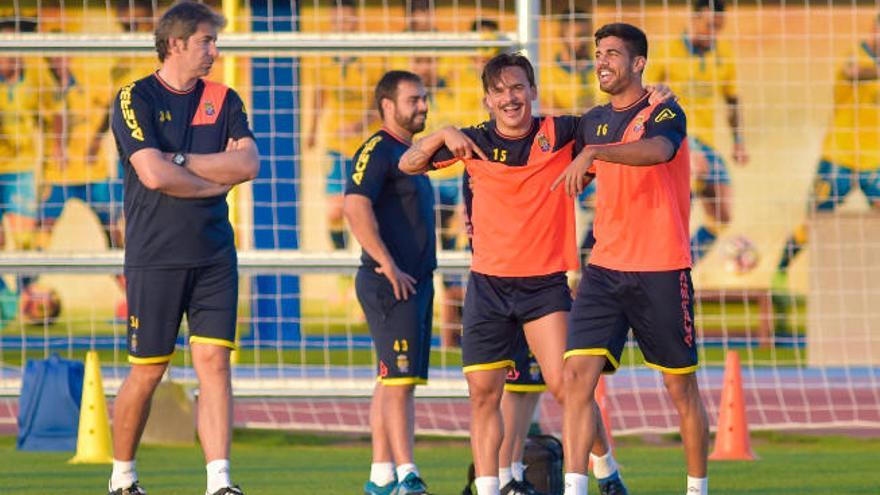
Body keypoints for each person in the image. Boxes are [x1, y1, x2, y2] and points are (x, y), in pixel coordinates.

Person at [399, 52, 652, 495]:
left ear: (532, 91)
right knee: (483, 395)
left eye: (517, 88)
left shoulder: (562, 131)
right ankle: (489, 488)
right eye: (499, 92)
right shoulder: (471, 140)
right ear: (487, 101)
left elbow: (624, 119)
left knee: (569, 388)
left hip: (544, 286)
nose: (510, 99)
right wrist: (441, 133)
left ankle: (606, 470)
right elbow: (408, 164)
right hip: (488, 287)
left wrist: (656, 97)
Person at [107, 2, 259, 495]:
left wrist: (182, 163)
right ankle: (123, 478)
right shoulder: (135, 97)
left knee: (214, 364)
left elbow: (249, 164)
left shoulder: (224, 97)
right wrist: (210, 177)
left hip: (215, 255)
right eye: (206, 42)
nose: (215, 51)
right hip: (156, 256)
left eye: (215, 42)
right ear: (175, 44)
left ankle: (220, 483)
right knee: (149, 370)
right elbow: (151, 174)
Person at [554, 23, 709, 495]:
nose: (601, 61)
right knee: (576, 377)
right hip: (604, 269)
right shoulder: (591, 120)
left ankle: (697, 488)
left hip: (661, 267)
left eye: (612, 54)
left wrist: (598, 152)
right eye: (598, 53)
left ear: (638, 63)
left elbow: (659, 152)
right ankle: (577, 487)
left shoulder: (664, 109)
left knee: (680, 389)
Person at [344, 70, 433, 495]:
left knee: (391, 379)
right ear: (387, 106)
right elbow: (354, 205)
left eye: (424, 98)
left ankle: (380, 475)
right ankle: (407, 474)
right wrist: (388, 264)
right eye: (413, 99)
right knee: (399, 382)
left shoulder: (409, 150)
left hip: (414, 282)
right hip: (390, 284)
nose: (423, 106)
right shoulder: (378, 149)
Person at [773, 13, 880, 318]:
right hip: (840, 157)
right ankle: (780, 274)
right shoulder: (856, 56)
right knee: (815, 222)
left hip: (875, 161)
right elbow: (853, 71)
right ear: (874, 30)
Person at [647, 0, 748, 263]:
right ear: (694, 19)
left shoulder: (723, 54)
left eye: (718, 26)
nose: (713, 32)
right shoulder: (668, 51)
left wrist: (739, 142)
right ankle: (662, 256)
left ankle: (682, 263)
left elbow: (732, 100)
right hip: (675, 137)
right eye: (709, 25)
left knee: (722, 215)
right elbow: (643, 97)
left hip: (707, 142)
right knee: (695, 171)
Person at [499, 333, 624, 495]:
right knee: (519, 387)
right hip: (520, 313)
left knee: (567, 388)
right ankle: (507, 480)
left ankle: (605, 473)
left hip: (553, 312)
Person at [307, 0, 381, 250]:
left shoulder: (372, 57)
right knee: (335, 210)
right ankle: (341, 271)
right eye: (338, 21)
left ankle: (370, 262)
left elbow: (382, 104)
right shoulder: (324, 58)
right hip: (336, 144)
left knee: (364, 210)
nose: (343, 26)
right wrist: (312, 129)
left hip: (367, 145)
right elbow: (319, 94)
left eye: (347, 21)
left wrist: (359, 125)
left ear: (356, 23)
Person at [0, 18, 56, 324]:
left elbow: (52, 119)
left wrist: (47, 168)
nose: (11, 54)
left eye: (16, 46)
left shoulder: (35, 76)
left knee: (24, 240)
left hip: (21, 169)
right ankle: (7, 304)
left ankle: (29, 299)